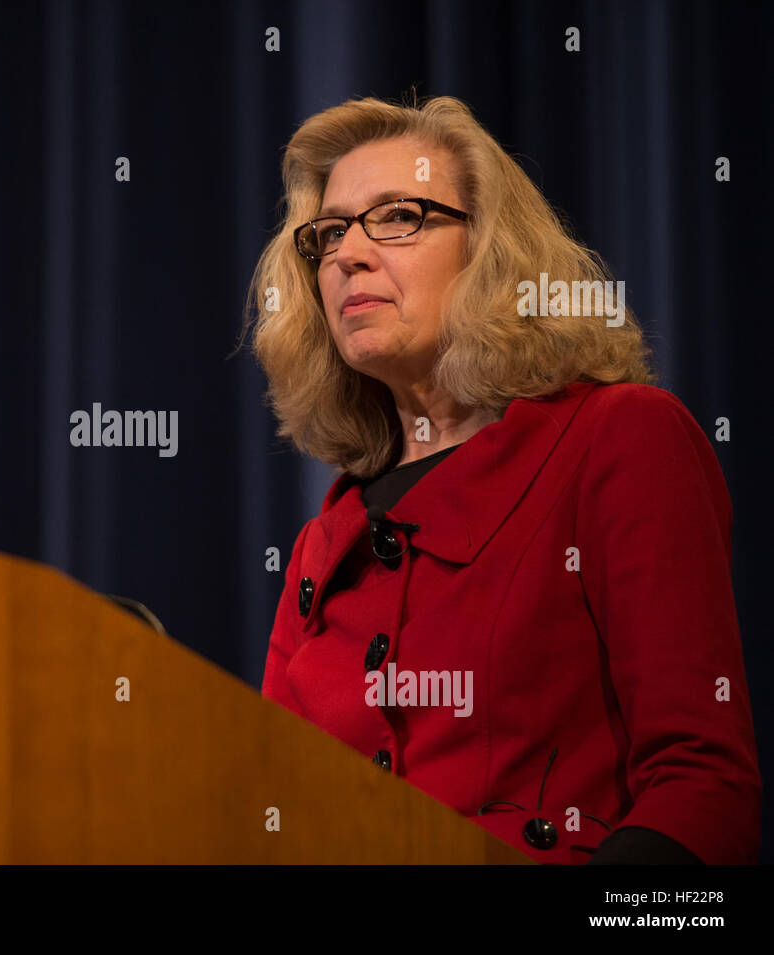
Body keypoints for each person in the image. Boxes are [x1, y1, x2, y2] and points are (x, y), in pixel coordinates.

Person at [247, 95, 761, 864]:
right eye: (328, 234)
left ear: (490, 249)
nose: (348, 253)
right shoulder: (324, 545)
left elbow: (704, 792)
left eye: (397, 217)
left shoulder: (620, 439)